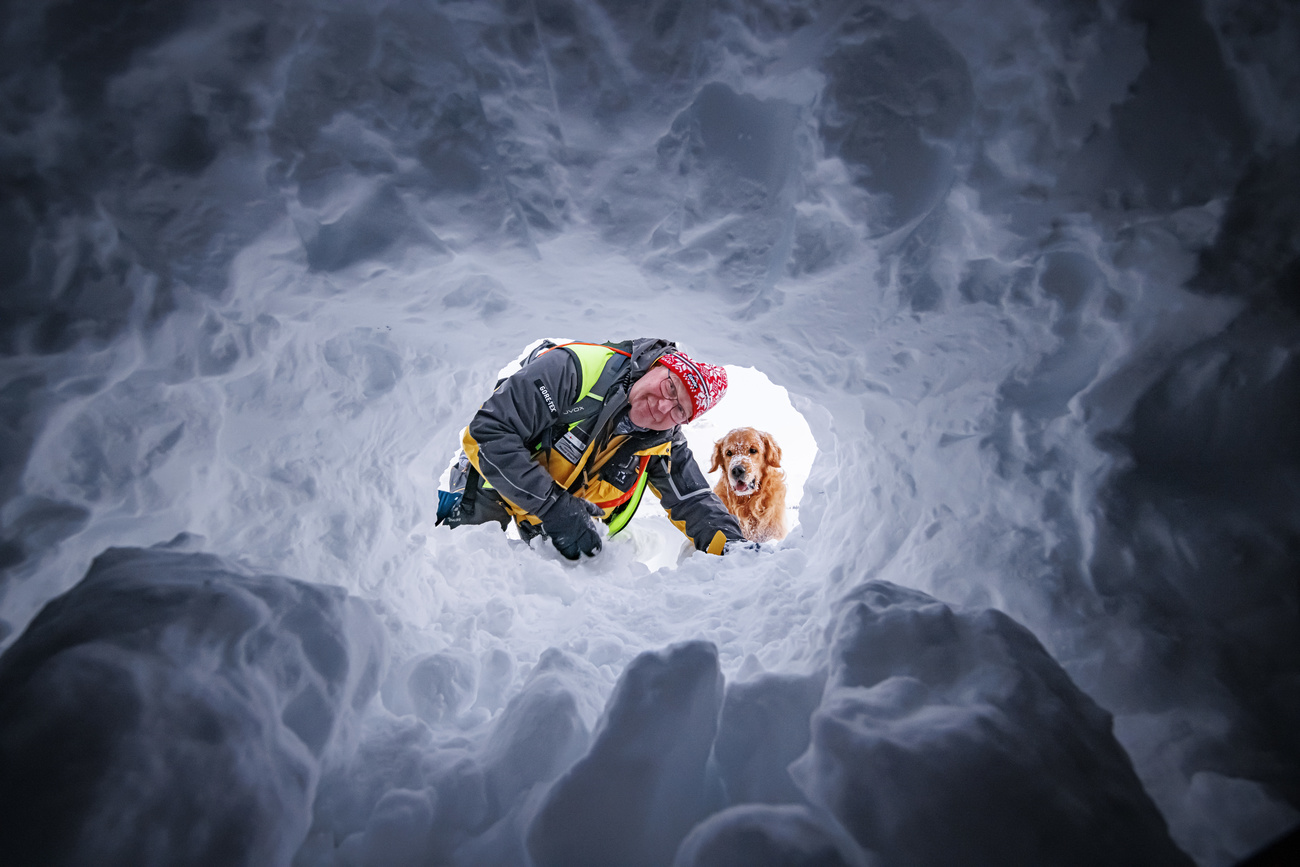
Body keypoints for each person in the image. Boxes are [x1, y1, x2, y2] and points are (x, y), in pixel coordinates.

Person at [438, 338, 745, 559]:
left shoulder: (663, 439)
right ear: (657, 366)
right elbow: (487, 433)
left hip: (559, 513)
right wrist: (554, 507)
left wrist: (736, 548)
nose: (663, 407)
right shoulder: (574, 369)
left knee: (554, 587)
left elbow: (693, 502)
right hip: (498, 476)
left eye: (680, 411)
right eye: (670, 387)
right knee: (464, 559)